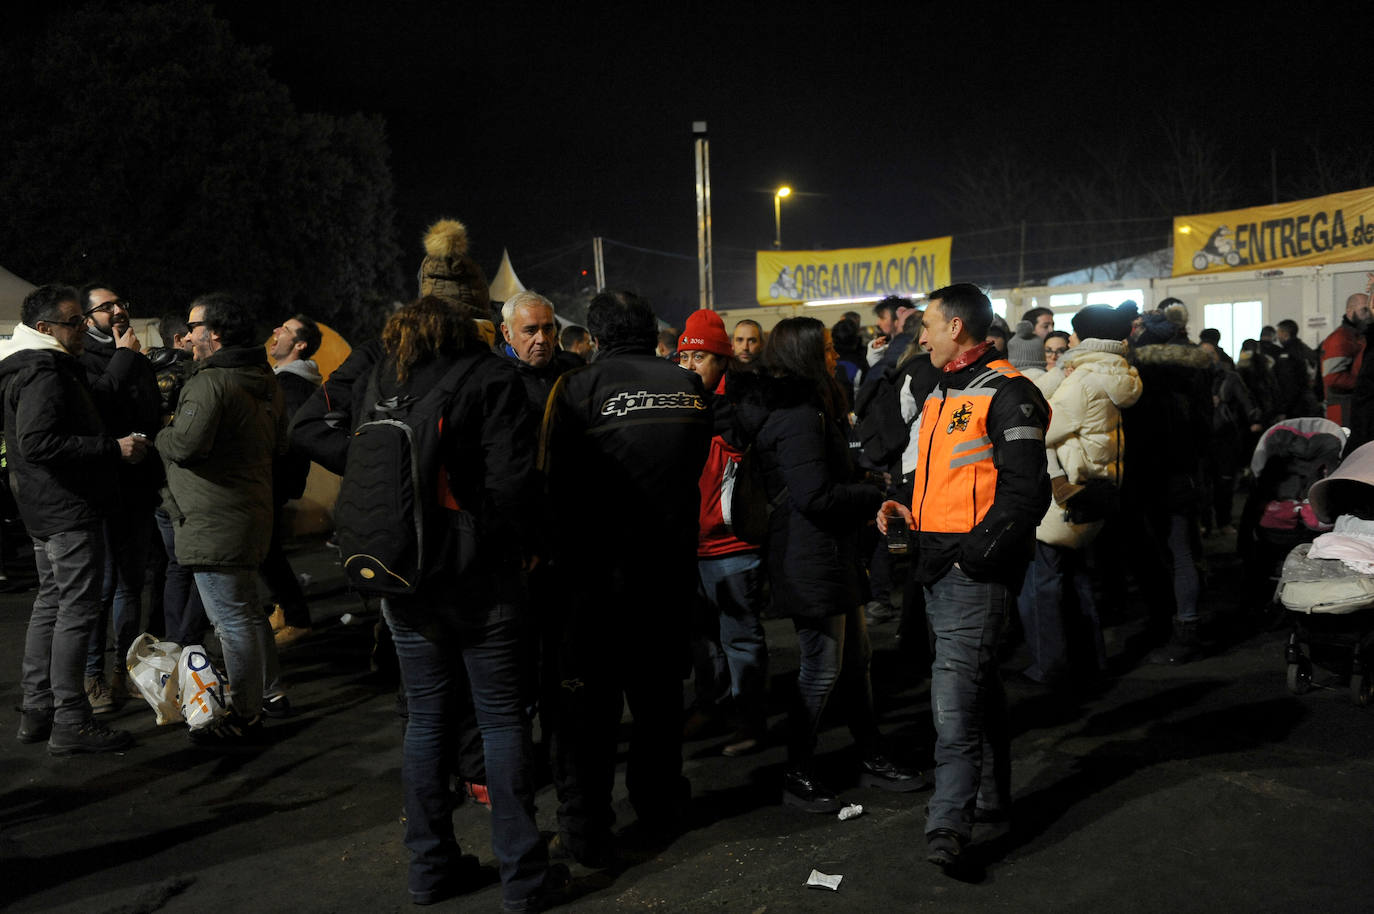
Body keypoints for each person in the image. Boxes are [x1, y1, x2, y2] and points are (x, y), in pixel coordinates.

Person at [358, 296, 552, 910]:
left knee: (425, 720)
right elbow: (514, 480)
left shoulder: (384, 380)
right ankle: (524, 879)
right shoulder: (491, 376)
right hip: (479, 576)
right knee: (499, 720)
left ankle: (429, 868)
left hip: (404, 576)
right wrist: (519, 543)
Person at [877, 283, 1050, 869]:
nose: (918, 335)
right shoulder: (940, 390)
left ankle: (947, 823)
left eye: (926, 324)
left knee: (953, 702)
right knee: (979, 689)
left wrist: (971, 557)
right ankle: (992, 798)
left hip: (968, 571)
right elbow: (940, 479)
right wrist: (905, 507)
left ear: (956, 328)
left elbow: (1027, 493)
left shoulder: (1011, 393)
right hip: (936, 564)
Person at [540, 290, 711, 865]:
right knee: (659, 701)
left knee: (588, 714)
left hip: (596, 582)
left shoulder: (577, 389)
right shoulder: (689, 388)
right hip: (668, 575)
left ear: (595, 336)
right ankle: (660, 805)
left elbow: (554, 487)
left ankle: (586, 830)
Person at [732, 316, 927, 813]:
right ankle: (798, 771)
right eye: (822, 349)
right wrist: (872, 492)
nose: (832, 355)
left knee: (856, 662)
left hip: (828, 553)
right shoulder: (797, 415)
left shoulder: (813, 407)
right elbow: (813, 496)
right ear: (800, 357)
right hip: (807, 555)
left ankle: (870, 754)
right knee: (821, 669)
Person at [2, 285, 143, 755]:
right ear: (45, 329)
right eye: (74, 322)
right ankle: (70, 718)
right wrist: (112, 448)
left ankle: (39, 709)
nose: (83, 328)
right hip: (67, 507)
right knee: (76, 612)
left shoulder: (28, 363)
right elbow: (38, 442)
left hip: (45, 506)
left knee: (51, 603)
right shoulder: (43, 370)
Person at [156, 293, 287, 742]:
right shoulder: (262, 378)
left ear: (214, 334)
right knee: (248, 614)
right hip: (249, 511)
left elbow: (186, 444)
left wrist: (160, 434)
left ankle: (245, 713)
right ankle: (269, 694)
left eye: (194, 327)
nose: (187, 335)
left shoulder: (211, 382)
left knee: (232, 622)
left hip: (212, 518)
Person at [1017, 305, 1141, 686]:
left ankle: (1048, 667)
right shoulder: (1117, 374)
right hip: (1096, 489)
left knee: (1040, 584)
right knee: (1077, 579)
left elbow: (1040, 425)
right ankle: (1091, 660)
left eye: (1072, 334)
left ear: (1086, 337)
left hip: (1064, 493)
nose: (1065, 341)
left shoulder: (1083, 381)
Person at [677, 310, 769, 757]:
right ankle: (709, 706)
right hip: (689, 545)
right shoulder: (676, 402)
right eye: (684, 357)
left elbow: (744, 441)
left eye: (700, 357)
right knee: (702, 641)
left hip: (732, 545)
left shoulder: (742, 402)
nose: (690, 366)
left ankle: (749, 721)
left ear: (721, 360)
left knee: (741, 638)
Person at [75, 284, 162, 712]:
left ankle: (124, 670)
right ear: (88, 317)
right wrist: (125, 357)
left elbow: (149, 408)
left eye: (119, 302)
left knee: (132, 583)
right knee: (103, 587)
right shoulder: (81, 359)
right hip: (105, 485)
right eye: (106, 306)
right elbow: (99, 405)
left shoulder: (136, 356)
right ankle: (92, 677)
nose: (117, 310)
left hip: (140, 483)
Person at [1125, 305, 1213, 663]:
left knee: (1166, 553)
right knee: (1183, 550)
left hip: (1152, 473)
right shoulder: (1196, 370)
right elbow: (1204, 426)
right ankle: (1184, 625)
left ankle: (1176, 629)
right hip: (1185, 470)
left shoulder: (1142, 374)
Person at [264, 314, 323, 648]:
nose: (275, 330)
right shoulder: (286, 379)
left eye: (283, 329)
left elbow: (287, 436)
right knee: (267, 549)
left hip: (273, 476)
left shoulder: (292, 384)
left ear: (299, 345)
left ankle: (297, 618)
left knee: (265, 551)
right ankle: (285, 609)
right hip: (275, 476)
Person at [500, 291, 582, 414]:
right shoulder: (494, 380)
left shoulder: (573, 372)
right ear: (507, 334)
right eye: (530, 331)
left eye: (548, 329)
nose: (542, 339)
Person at [1321, 280, 1373, 426]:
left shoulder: (1358, 336)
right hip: (1343, 409)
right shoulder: (1340, 338)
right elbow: (1333, 378)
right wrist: (1366, 384)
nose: (1368, 315)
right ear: (1350, 311)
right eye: (1364, 310)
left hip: (1355, 406)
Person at [1274, 318, 1322, 418]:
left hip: (1296, 406)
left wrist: (1283, 409)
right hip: (1311, 401)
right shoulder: (1305, 349)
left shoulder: (1287, 354)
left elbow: (1288, 382)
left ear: (1285, 333)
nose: (1277, 336)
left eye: (1278, 332)